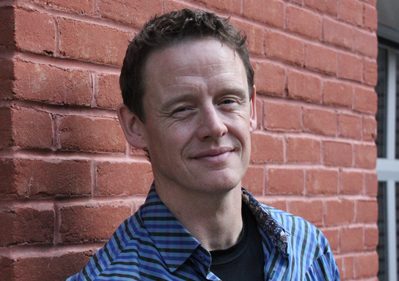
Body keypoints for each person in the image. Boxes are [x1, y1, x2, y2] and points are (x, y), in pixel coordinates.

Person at [67, 9, 340, 281]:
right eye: (183, 108)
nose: (215, 127)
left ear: (252, 110)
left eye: (228, 101)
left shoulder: (308, 249)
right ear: (135, 127)